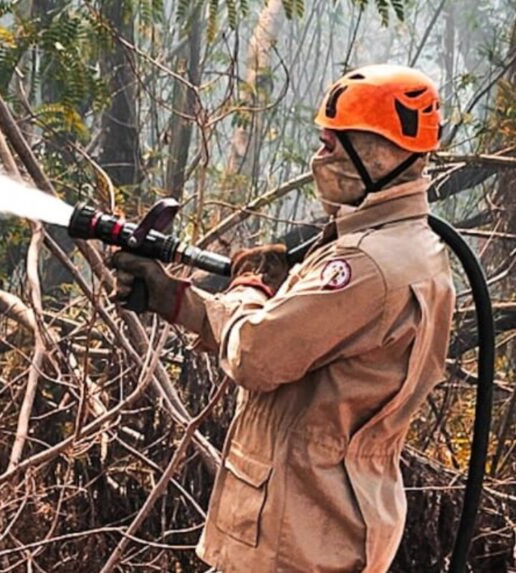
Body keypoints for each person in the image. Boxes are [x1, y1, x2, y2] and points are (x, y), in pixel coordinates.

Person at [110, 64, 455, 572]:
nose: (321, 158)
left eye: (333, 145)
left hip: (296, 532)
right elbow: (300, 342)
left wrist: (247, 288)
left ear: (379, 151)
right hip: (331, 519)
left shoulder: (364, 265)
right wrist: (175, 299)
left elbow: (257, 353)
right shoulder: (411, 247)